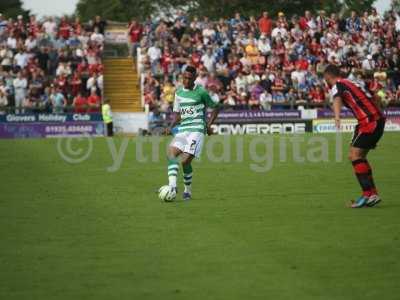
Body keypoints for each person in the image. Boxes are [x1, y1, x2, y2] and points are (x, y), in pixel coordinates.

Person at [324, 64, 385, 208]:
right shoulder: (353, 82)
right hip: (374, 119)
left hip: (369, 121)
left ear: (328, 76)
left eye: (324, 78)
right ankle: (372, 194)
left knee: (355, 156)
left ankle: (368, 194)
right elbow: (374, 96)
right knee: (358, 156)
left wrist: (337, 116)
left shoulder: (338, 84)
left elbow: (337, 98)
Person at [164, 66, 221, 201]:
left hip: (197, 130)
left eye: (189, 78)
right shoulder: (178, 93)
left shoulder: (201, 92)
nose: (187, 81)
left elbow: (216, 108)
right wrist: (170, 126)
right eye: (185, 78)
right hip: (183, 129)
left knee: (185, 161)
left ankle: (187, 190)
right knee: (171, 153)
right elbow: (178, 115)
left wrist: (208, 125)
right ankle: (172, 186)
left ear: (195, 78)